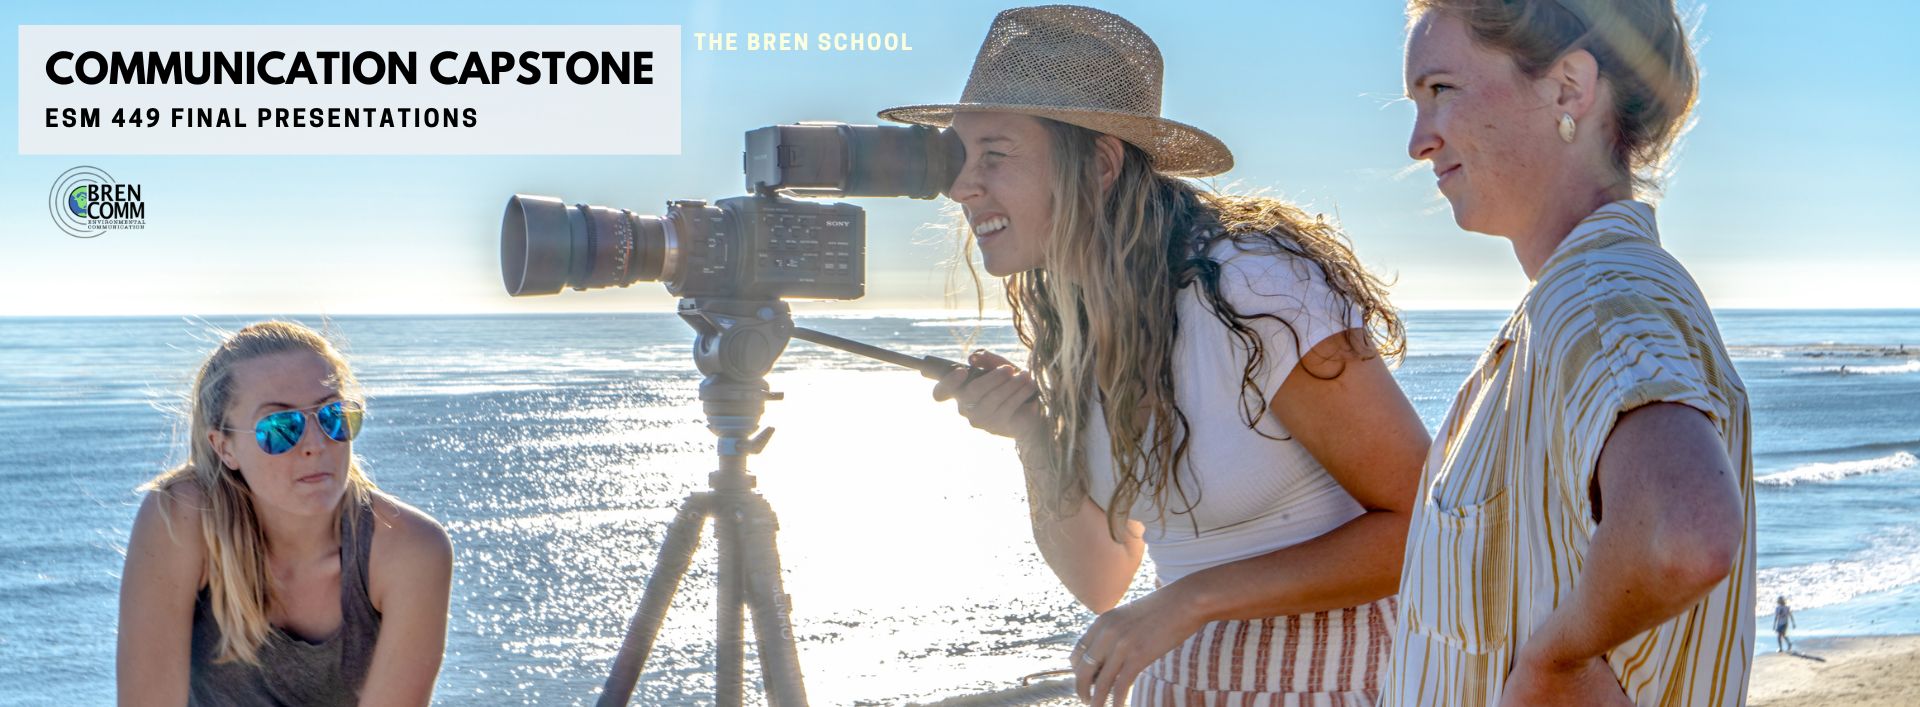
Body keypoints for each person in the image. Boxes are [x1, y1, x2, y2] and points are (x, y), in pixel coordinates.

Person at [881, 6, 1430, 705]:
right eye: (959, 157)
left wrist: (1185, 601)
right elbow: (1103, 577)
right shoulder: (1079, 318)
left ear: (1101, 164)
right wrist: (1032, 439)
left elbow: (1426, 526)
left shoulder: (1254, 285)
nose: (961, 186)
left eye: (995, 153)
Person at [1385, 1, 1755, 705]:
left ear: (1568, 90)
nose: (1418, 141)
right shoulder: (1565, 304)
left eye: (1441, 90)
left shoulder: (1597, 291)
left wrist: (1557, 663)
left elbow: (1687, 529)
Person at [117, 321, 453, 706]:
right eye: (280, 427)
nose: (315, 443)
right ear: (224, 447)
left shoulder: (409, 550)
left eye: (332, 416)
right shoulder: (181, 517)